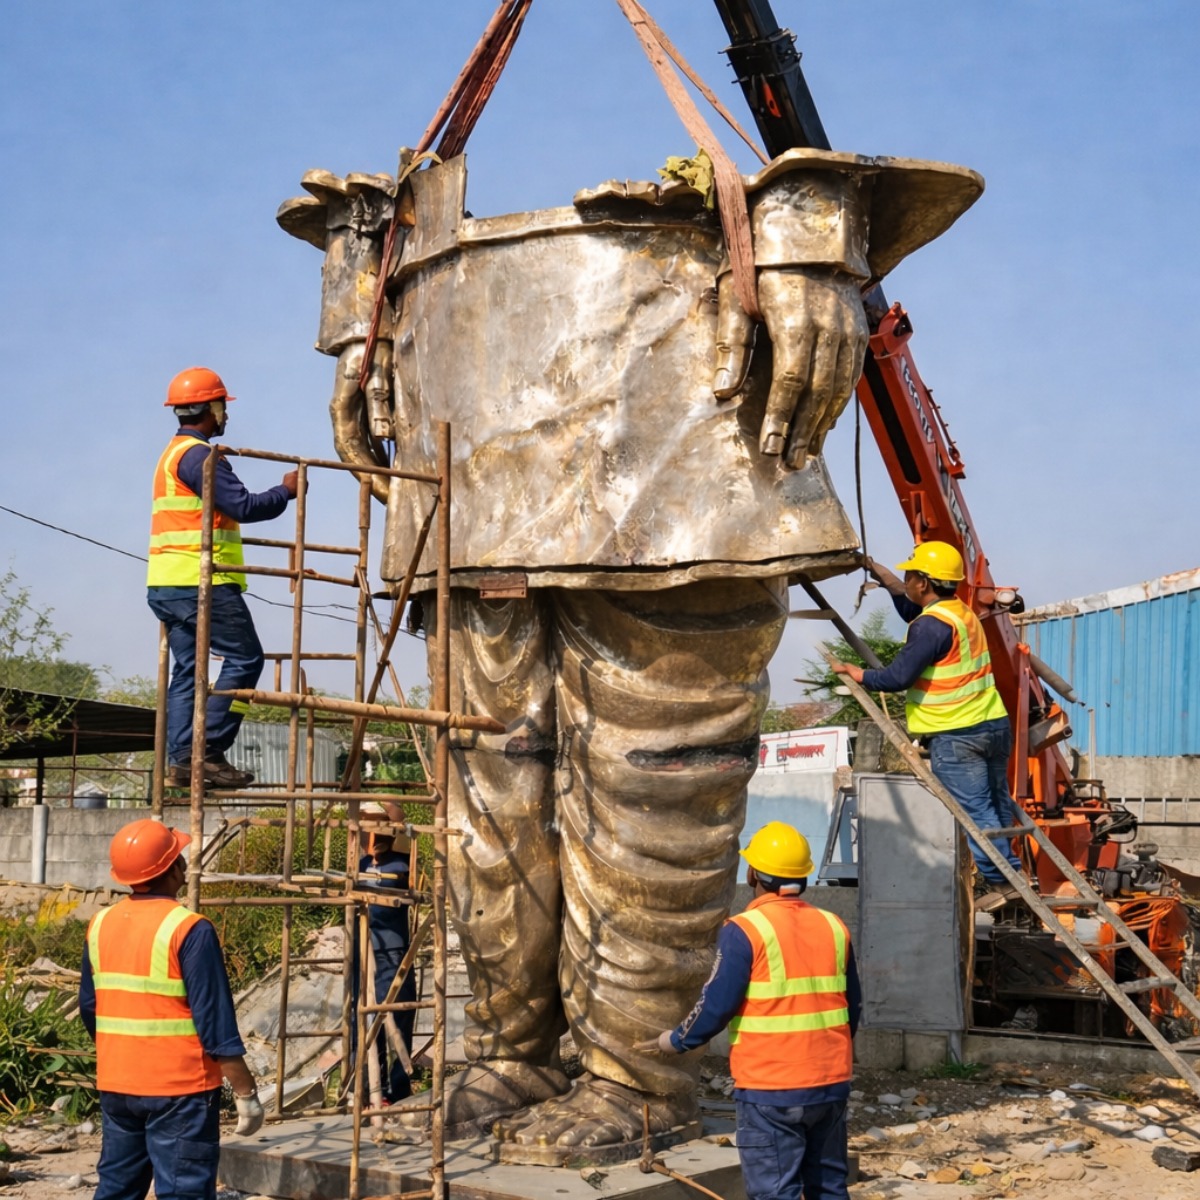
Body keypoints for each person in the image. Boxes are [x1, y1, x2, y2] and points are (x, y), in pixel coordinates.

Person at [634, 822, 860, 1200]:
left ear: (753, 873)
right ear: (802, 876)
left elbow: (716, 1005)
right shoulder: (833, 925)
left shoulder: (745, 930)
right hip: (830, 1083)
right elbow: (852, 1006)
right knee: (829, 1187)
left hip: (771, 1088)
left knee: (775, 1191)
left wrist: (675, 1041)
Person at [830, 542, 1024, 907]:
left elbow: (898, 677)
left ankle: (1003, 881)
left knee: (976, 812)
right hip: (992, 725)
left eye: (909, 576)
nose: (905, 581)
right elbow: (909, 608)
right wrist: (881, 574)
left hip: (956, 734)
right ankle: (1011, 870)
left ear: (924, 582)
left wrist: (859, 674)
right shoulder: (957, 613)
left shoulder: (931, 627)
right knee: (997, 805)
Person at [80, 818, 264, 1200]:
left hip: (117, 1084)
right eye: (179, 858)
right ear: (172, 870)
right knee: (185, 1192)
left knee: (116, 1189)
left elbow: (89, 1006)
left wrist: (122, 1055)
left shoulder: (100, 924)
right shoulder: (189, 928)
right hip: (180, 1091)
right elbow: (215, 1022)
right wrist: (245, 1092)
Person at [147, 367, 298, 790]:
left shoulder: (172, 455)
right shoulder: (200, 457)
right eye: (221, 406)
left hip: (167, 582)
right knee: (247, 659)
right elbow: (245, 507)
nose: (224, 414)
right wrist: (287, 490)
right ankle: (207, 752)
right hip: (202, 582)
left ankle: (183, 760)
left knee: (188, 672)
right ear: (210, 407)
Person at [353, 803, 416, 1104]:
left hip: (393, 950)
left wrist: (394, 816)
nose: (370, 832)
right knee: (364, 1022)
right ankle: (366, 1089)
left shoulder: (401, 865)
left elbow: (404, 832)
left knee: (399, 1018)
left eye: (375, 826)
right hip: (364, 950)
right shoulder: (360, 864)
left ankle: (398, 1089)